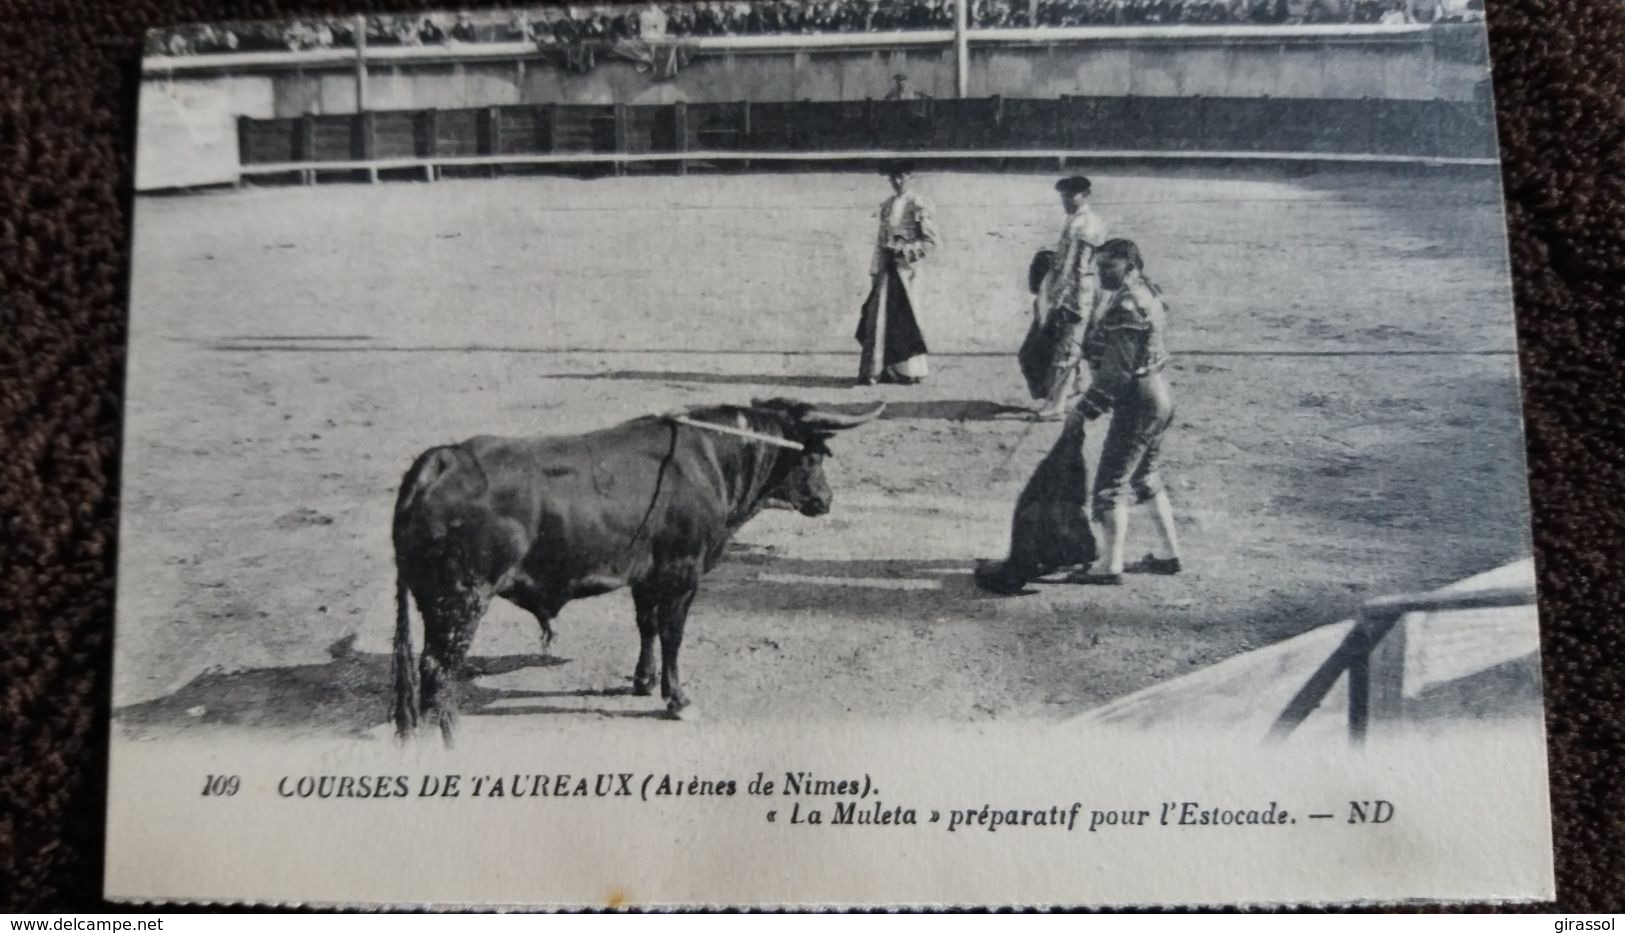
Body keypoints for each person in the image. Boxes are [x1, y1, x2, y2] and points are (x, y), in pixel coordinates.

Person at [1066, 238, 1183, 585]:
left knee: (1109, 485)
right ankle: (1168, 554)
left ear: (1131, 267)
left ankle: (1109, 565)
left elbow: (1117, 373)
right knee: (1146, 476)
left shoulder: (1126, 306)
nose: (1101, 273)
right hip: (1160, 394)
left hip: (1138, 401)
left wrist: (1085, 410)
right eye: (1099, 266)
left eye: (1109, 267)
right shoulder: (1148, 291)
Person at [856, 161, 939, 386]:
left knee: (906, 317)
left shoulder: (919, 204)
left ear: (910, 176)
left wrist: (904, 250)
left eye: (901, 176)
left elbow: (930, 242)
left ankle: (909, 371)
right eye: (893, 177)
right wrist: (875, 267)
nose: (897, 181)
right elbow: (880, 241)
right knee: (882, 317)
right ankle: (885, 370)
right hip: (887, 270)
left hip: (907, 271)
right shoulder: (887, 205)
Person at [1032, 174, 1107, 419]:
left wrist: (1059, 297)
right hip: (1084, 289)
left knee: (1067, 347)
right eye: (1063, 196)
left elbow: (1078, 267)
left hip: (1077, 292)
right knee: (1083, 344)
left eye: (1070, 195)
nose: (1065, 200)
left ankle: (1058, 406)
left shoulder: (1083, 225)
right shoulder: (1080, 219)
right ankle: (1080, 388)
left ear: (1085, 195)